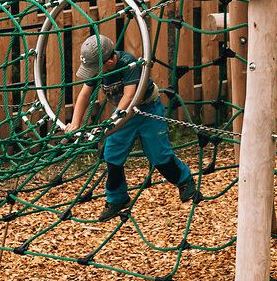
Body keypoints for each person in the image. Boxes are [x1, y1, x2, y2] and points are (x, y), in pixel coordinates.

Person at [63, 34, 199, 219]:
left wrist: (112, 122)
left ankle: (184, 181)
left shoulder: (129, 64)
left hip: (146, 110)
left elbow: (129, 97)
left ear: (110, 61)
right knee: (111, 155)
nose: (93, 73)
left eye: (95, 68)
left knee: (159, 155)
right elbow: (84, 96)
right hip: (123, 116)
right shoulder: (98, 69)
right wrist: (76, 124)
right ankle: (117, 198)